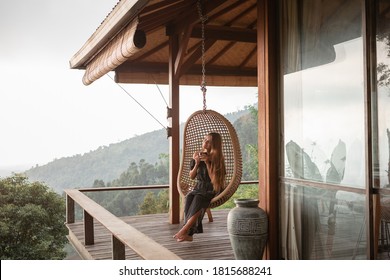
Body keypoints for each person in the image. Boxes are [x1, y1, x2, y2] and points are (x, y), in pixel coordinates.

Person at [173, 132, 226, 242]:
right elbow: (192, 176)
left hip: (213, 188)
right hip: (199, 187)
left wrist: (207, 163)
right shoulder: (198, 155)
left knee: (199, 199)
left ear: (214, 144)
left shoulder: (217, 157)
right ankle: (189, 235)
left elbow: (214, 180)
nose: (205, 143)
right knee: (188, 197)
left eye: (208, 141)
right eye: (204, 140)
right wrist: (197, 163)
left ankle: (185, 229)